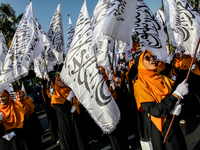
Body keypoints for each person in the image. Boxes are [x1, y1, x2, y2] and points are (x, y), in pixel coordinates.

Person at [134, 49, 188, 150]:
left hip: (171, 121)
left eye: (153, 57)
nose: (152, 60)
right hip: (158, 128)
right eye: (147, 58)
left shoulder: (162, 78)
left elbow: (171, 96)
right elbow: (155, 110)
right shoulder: (139, 85)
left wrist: (173, 106)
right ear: (140, 64)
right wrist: (175, 96)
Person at [51, 75, 90, 150]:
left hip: (75, 120)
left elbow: (77, 102)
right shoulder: (55, 96)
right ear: (56, 83)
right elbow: (62, 110)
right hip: (66, 123)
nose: (62, 81)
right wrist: (68, 99)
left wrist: (76, 106)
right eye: (59, 80)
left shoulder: (69, 90)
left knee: (80, 141)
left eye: (63, 79)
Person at [41, 77, 59, 143]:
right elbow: (44, 89)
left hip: (56, 109)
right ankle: (55, 137)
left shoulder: (54, 91)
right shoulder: (46, 94)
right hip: (50, 111)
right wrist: (44, 80)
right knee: (53, 125)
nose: (49, 85)